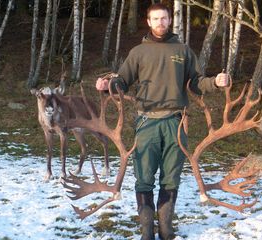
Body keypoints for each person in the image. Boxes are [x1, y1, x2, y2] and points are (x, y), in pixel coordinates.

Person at [96, 3, 228, 240]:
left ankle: (166, 229)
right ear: (148, 22)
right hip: (146, 123)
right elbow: (122, 81)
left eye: (164, 18)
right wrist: (108, 86)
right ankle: (147, 229)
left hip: (175, 123)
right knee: (144, 177)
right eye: (155, 19)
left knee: (171, 176)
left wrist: (215, 82)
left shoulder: (183, 51)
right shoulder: (138, 52)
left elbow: (197, 82)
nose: (160, 22)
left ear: (170, 20)